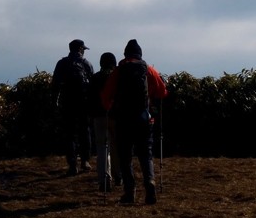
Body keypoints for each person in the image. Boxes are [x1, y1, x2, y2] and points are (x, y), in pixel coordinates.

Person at [102, 39, 168, 205]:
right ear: (140, 54)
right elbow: (162, 92)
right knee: (146, 154)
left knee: (125, 156)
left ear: (125, 54)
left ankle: (129, 192)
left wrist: (111, 109)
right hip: (144, 119)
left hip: (123, 120)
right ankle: (150, 184)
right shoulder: (148, 70)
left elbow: (105, 96)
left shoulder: (119, 71)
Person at [50, 39, 95, 176]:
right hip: (83, 102)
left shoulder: (62, 63)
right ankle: (85, 161)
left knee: (70, 133)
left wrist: (55, 102)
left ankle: (72, 164)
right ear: (80, 49)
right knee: (85, 130)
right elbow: (92, 85)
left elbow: (55, 84)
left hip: (67, 101)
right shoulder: (86, 64)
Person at [89, 51, 121, 192]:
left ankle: (104, 179)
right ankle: (118, 175)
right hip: (115, 116)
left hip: (98, 116)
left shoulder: (95, 78)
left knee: (102, 148)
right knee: (116, 146)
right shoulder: (117, 77)